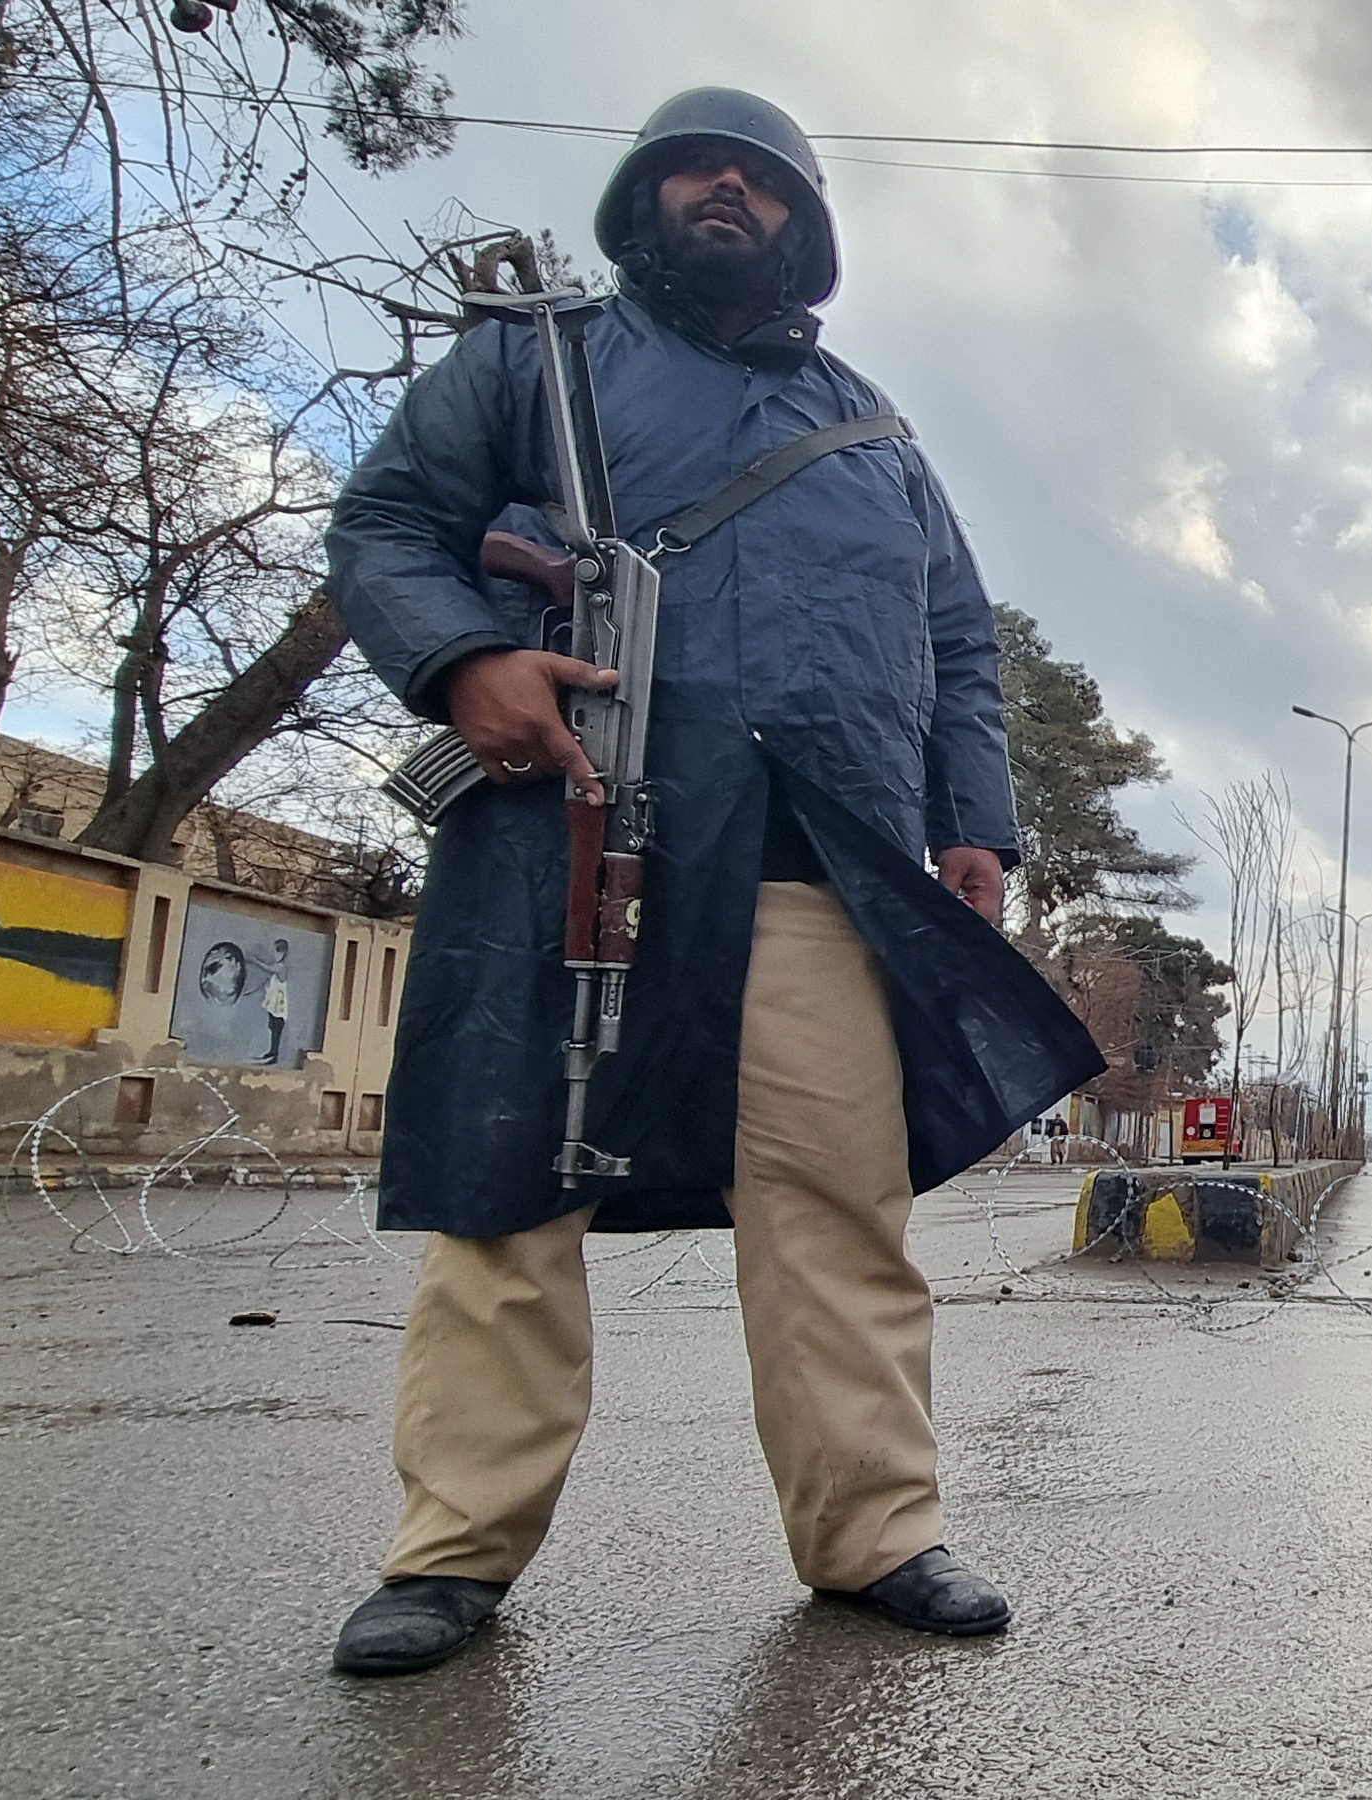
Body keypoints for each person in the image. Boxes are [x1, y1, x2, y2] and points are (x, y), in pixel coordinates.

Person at [322, 87, 1102, 1676]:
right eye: (695, 168)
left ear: (804, 227)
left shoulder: (880, 434)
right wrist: (464, 658)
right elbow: (389, 525)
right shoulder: (535, 360)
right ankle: (452, 1552)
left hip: (824, 850)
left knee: (838, 1202)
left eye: (760, 178)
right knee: (509, 1193)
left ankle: (874, 1532)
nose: (725, 189)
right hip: (572, 828)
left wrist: (978, 822)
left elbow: (960, 644)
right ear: (642, 203)